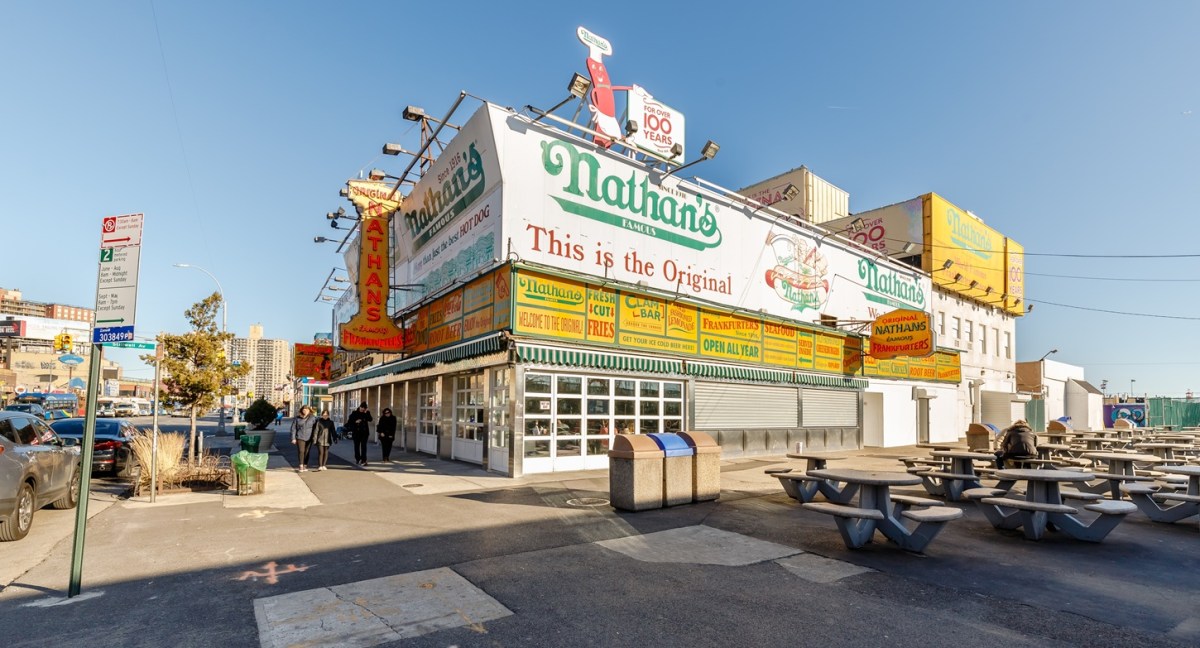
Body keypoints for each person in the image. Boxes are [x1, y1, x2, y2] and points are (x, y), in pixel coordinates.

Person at [290, 405, 318, 472]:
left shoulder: (313, 418)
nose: (305, 411)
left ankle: (305, 465)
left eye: (307, 410)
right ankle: (301, 465)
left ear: (309, 411)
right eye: (304, 410)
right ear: (302, 410)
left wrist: (315, 437)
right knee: (301, 451)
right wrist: (293, 438)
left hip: (309, 437)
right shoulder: (297, 418)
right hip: (300, 436)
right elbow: (293, 428)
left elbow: (316, 428)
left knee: (307, 452)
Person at [345, 402, 374, 466]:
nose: (363, 409)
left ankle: (364, 460)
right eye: (362, 408)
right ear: (360, 407)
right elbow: (349, 422)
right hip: (356, 432)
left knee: (364, 446)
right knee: (356, 446)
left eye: (364, 408)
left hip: (364, 433)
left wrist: (366, 413)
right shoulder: (354, 413)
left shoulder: (367, 413)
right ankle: (358, 459)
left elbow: (370, 419)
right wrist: (355, 421)